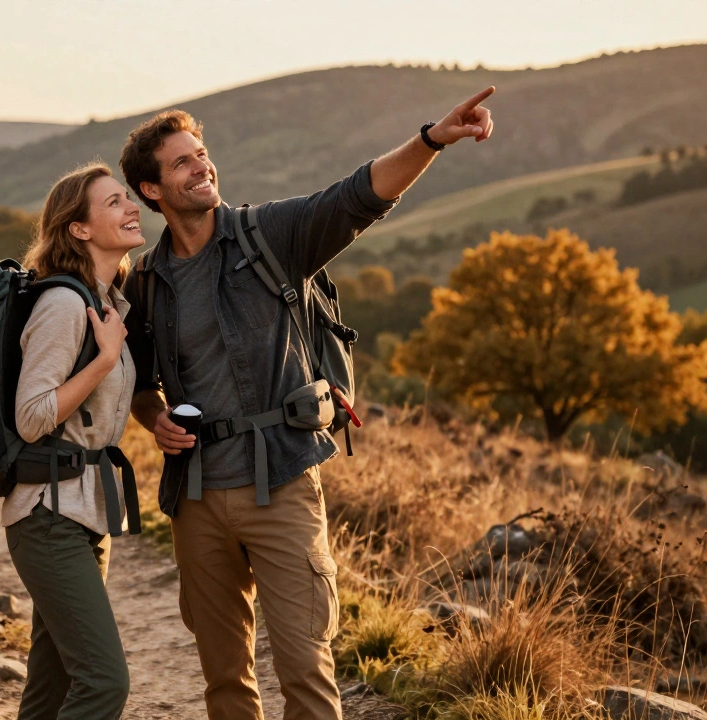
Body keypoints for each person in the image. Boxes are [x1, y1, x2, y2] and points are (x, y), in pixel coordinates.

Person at [119, 88, 496, 720]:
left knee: (305, 668)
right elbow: (137, 382)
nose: (201, 167)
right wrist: (153, 418)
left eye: (202, 154)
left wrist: (432, 139)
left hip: (285, 483)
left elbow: (359, 195)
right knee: (224, 679)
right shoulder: (147, 283)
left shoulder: (273, 235)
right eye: (182, 162)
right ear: (152, 190)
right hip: (196, 498)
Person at [2, 161, 146, 720]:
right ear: (79, 229)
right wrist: (107, 357)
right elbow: (32, 417)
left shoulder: (107, 301)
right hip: (48, 515)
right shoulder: (64, 306)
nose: (130, 207)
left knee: (53, 686)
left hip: (88, 510)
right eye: (113, 202)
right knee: (105, 682)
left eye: (128, 198)